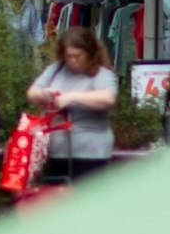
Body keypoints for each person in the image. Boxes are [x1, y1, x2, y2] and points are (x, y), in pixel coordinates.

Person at [24, 26, 118, 185]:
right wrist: (44, 94)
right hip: (56, 152)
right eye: (69, 56)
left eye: (78, 56)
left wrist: (72, 97)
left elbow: (108, 98)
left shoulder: (101, 73)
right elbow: (32, 92)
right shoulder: (56, 69)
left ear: (90, 53)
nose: (73, 61)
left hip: (91, 153)